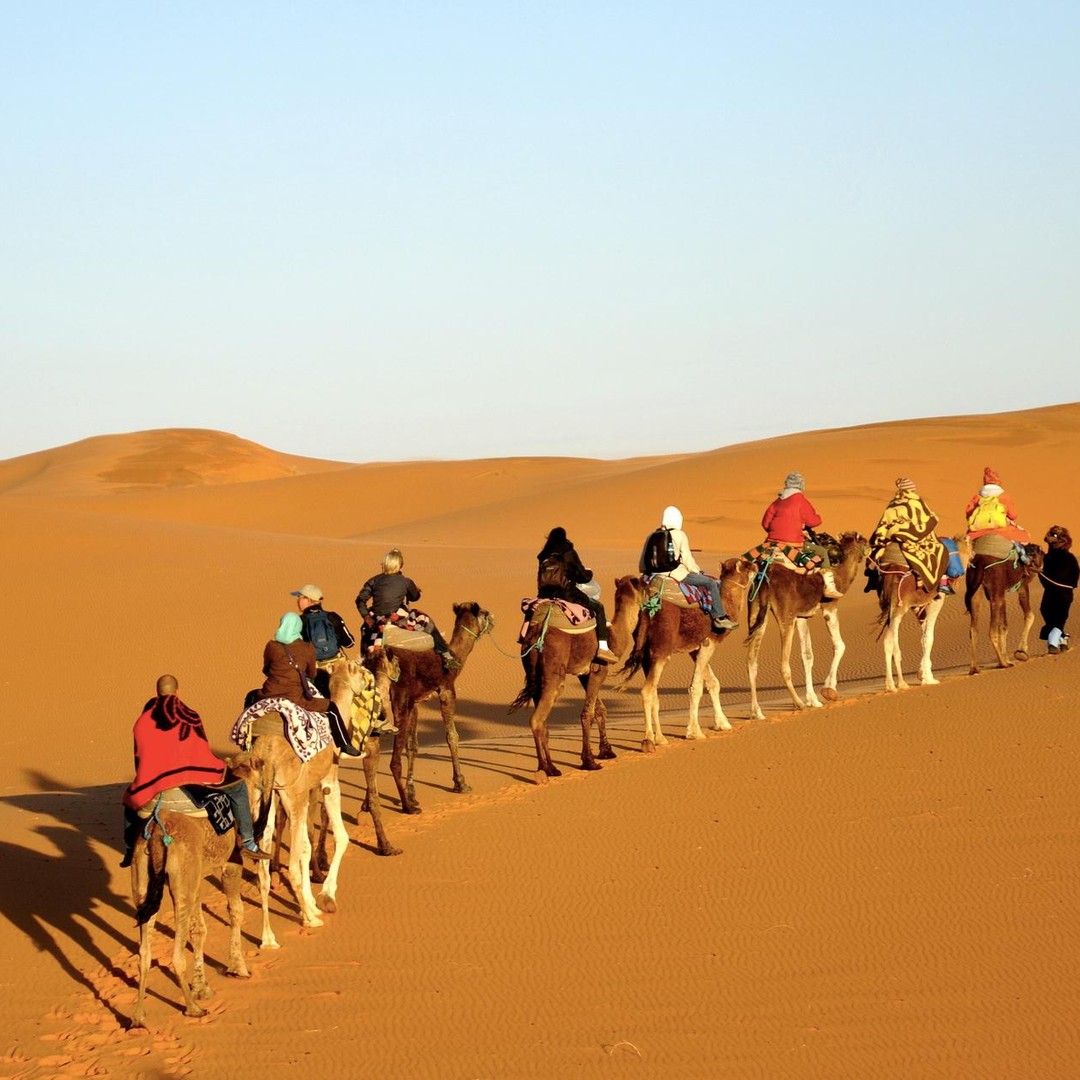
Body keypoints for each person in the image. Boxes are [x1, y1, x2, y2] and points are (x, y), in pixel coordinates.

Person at [120, 674, 269, 867]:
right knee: (239, 788)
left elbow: (139, 758)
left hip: (153, 782)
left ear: (156, 692)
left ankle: (130, 849)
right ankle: (248, 842)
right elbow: (201, 750)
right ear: (177, 691)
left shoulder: (142, 721)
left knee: (129, 801)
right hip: (190, 777)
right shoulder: (189, 715)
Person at [259, 612, 368, 751]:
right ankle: (345, 745)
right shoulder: (307, 647)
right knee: (332, 708)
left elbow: (266, 670)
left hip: (269, 694)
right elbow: (312, 673)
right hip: (295, 698)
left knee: (250, 698)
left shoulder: (271, 646)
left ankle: (245, 735)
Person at [354, 548, 460, 672]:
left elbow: (360, 600)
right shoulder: (406, 581)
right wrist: (416, 590)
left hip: (377, 619)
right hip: (398, 618)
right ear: (400, 565)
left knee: (364, 629)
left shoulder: (373, 580)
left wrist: (367, 617)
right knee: (425, 620)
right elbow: (415, 597)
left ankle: (363, 658)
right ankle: (445, 654)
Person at [639, 506, 738, 633]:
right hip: (675, 573)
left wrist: (645, 572)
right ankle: (719, 617)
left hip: (652, 575)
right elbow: (686, 558)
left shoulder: (651, 535)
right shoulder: (679, 535)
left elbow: (643, 561)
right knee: (710, 583)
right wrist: (697, 572)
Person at [536, 526, 617, 663]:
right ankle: (603, 648)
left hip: (543, 595)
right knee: (598, 608)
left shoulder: (543, 555)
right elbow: (582, 577)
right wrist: (589, 573)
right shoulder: (568, 552)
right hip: (566, 594)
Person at [760, 471, 842, 598]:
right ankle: (829, 588)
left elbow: (765, 524)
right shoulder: (800, 500)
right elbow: (813, 521)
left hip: (771, 543)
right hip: (793, 543)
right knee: (822, 552)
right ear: (801, 485)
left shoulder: (776, 502)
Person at [868, 478, 949, 594]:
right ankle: (940, 584)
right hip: (911, 539)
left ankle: (873, 579)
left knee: (874, 555)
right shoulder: (915, 502)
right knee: (940, 550)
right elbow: (926, 521)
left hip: (890, 539)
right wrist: (934, 518)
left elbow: (882, 525)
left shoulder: (892, 504)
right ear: (912, 490)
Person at [292, 583, 355, 692]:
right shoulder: (333, 617)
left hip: (313, 673)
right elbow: (350, 643)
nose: (297, 601)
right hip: (339, 669)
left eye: (300, 597)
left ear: (309, 600)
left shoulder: (299, 621)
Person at [965, 466, 1031, 545]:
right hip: (1003, 531)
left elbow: (968, 513)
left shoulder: (977, 497)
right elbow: (1013, 515)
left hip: (976, 533)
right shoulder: (1004, 496)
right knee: (1024, 537)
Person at [1039, 525, 1078, 654]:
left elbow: (1075, 576)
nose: (1051, 538)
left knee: (1058, 619)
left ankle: (1053, 644)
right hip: (1050, 592)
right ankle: (1063, 638)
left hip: (1064, 593)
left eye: (1054, 535)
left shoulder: (1070, 558)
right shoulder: (1047, 558)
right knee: (1046, 612)